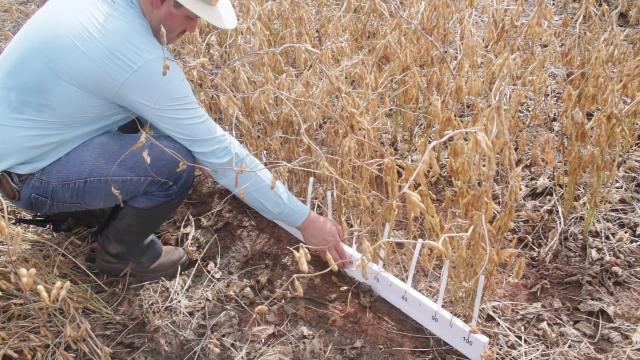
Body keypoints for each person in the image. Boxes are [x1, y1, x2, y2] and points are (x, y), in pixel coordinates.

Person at [0, 0, 349, 281]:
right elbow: (217, 151)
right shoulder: (137, 59)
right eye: (190, 15)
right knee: (173, 161)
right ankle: (121, 255)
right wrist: (305, 221)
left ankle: (90, 206)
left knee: (151, 125)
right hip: (28, 178)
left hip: (21, 149)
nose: (195, 28)